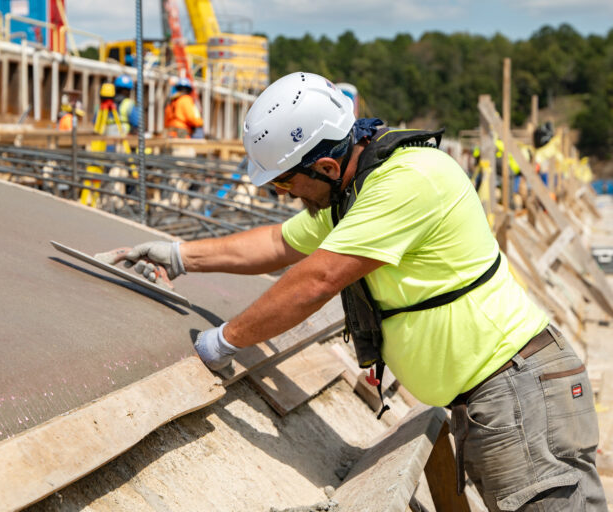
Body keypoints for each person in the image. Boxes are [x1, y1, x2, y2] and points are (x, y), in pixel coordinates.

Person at [116, 72, 606, 511]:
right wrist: (182, 256)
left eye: (288, 183)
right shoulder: (357, 195)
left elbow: (317, 280)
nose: (286, 196)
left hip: (517, 392)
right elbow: (276, 243)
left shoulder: (406, 181)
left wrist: (223, 342)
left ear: (327, 167)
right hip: (497, 395)